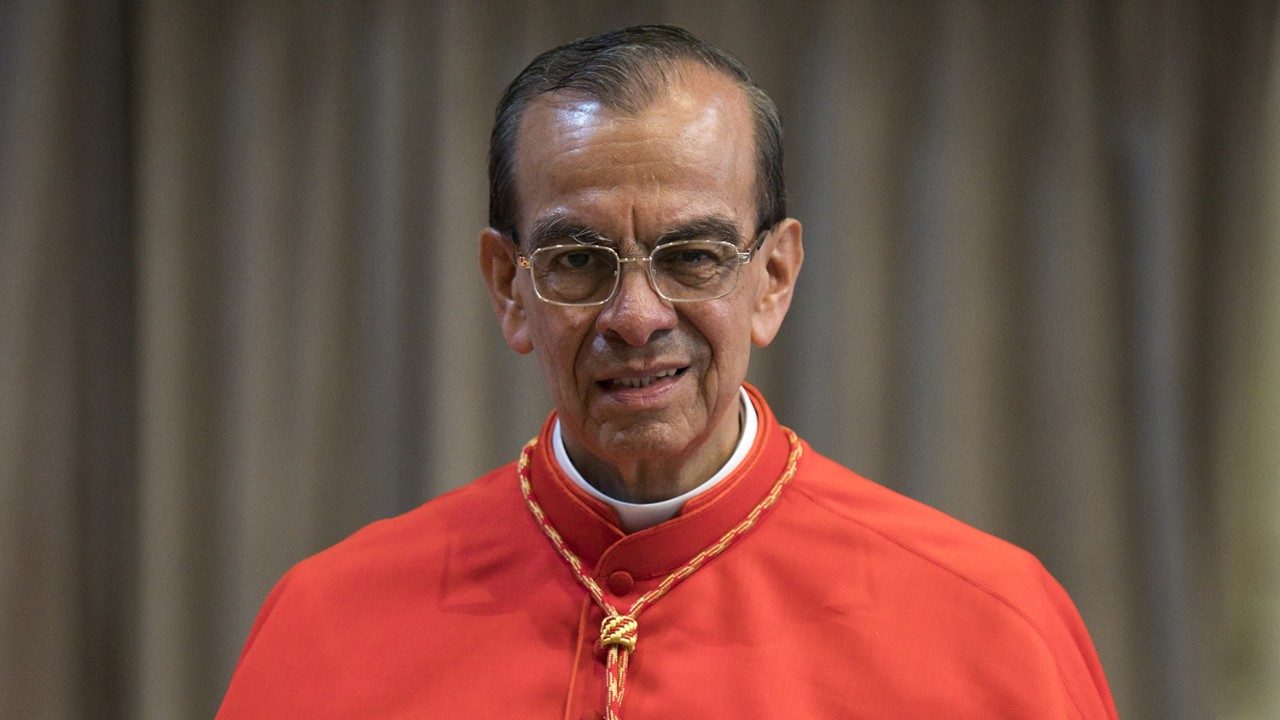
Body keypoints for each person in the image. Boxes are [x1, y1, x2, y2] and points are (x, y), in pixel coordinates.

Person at [217, 25, 1118, 720]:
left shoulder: (992, 627)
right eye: (577, 259)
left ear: (772, 280)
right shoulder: (330, 625)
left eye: (693, 256)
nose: (637, 317)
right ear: (508, 287)